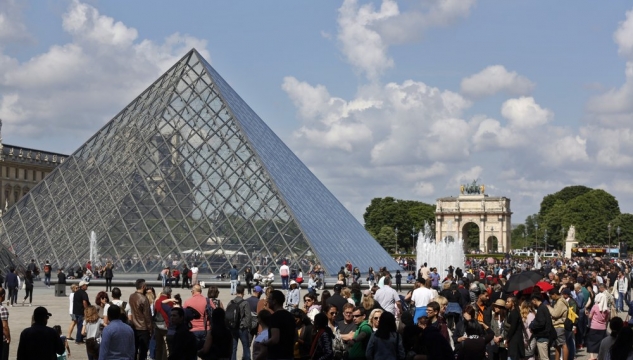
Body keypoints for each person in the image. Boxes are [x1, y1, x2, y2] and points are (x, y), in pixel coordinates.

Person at [261, 290, 295, 360]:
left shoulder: (275, 317)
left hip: (277, 356)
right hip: (289, 355)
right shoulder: (290, 316)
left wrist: (264, 343)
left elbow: (275, 339)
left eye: (269, 299)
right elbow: (296, 337)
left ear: (274, 301)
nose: (267, 301)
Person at [129, 278, 153, 360]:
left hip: (134, 327)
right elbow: (147, 316)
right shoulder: (144, 299)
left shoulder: (131, 297)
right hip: (143, 328)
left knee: (134, 350)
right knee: (143, 352)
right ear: (143, 286)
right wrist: (150, 330)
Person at [229, 284, 252, 360]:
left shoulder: (231, 302)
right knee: (246, 346)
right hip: (242, 328)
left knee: (233, 348)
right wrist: (246, 326)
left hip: (233, 327)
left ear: (236, 292)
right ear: (243, 292)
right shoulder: (245, 303)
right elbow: (248, 316)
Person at [530, 293, 554, 360]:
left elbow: (541, 323)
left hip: (543, 336)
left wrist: (532, 326)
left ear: (534, 300)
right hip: (544, 335)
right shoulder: (543, 307)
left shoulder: (541, 309)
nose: (532, 303)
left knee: (544, 358)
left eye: (532, 301)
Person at [183, 284, 208, 349]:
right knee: (206, 352)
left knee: (192, 352)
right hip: (206, 328)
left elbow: (183, 315)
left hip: (193, 329)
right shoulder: (207, 301)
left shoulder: (187, 302)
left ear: (193, 291)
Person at [587, 292, 610, 360]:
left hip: (594, 326)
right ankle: (599, 356)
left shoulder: (595, 306)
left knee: (591, 341)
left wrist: (588, 315)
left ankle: (592, 356)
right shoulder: (607, 309)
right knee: (600, 342)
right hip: (602, 327)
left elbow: (590, 316)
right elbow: (606, 319)